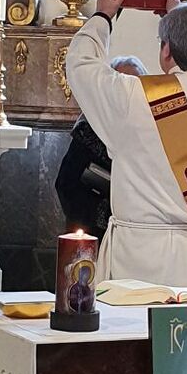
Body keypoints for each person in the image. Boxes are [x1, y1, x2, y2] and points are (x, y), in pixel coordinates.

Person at [66, 0, 187, 290]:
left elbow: (81, 64)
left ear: (166, 50)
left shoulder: (132, 95)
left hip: (135, 254)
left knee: (129, 323)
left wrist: (103, 16)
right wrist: (185, 19)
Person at [55, 55, 148, 240]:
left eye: (134, 85)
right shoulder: (89, 129)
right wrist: (106, 214)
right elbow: (66, 185)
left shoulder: (152, 131)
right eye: (121, 85)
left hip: (139, 232)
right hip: (94, 232)